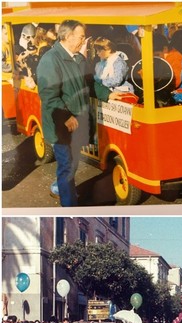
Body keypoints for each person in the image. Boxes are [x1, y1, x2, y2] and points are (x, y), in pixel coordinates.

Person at [36, 19, 124, 206]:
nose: (84, 42)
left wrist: (108, 95)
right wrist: (66, 117)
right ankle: (70, 207)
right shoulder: (50, 60)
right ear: (68, 37)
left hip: (77, 123)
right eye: (81, 37)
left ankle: (60, 187)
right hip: (61, 125)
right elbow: (49, 96)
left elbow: (91, 84)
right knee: (67, 166)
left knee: (72, 163)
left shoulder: (79, 58)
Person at [152, 33, 182, 104]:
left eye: (157, 55)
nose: (155, 58)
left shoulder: (175, 58)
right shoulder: (165, 58)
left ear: (165, 49)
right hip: (175, 96)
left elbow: (175, 81)